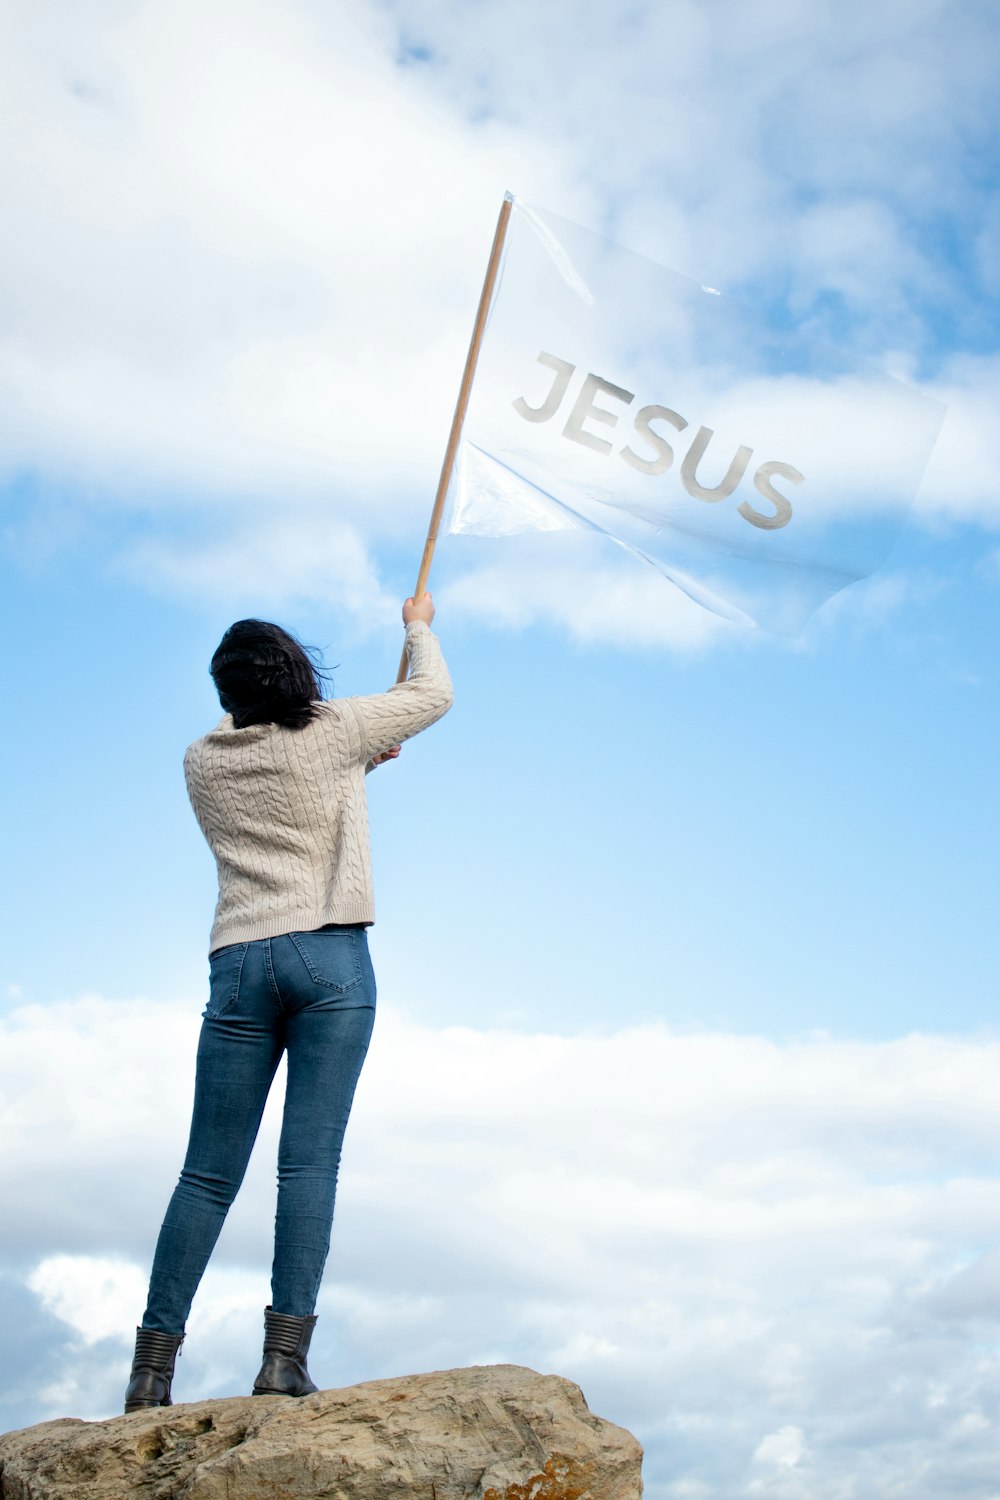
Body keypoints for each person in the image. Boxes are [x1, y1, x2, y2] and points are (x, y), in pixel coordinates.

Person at [123, 593, 452, 1412]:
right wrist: (418, 626)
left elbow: (277, 782)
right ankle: (282, 1362)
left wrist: (358, 765)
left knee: (205, 1176)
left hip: (238, 959)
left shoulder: (201, 759)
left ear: (225, 691)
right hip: (328, 952)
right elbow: (434, 695)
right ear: (299, 675)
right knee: (307, 1165)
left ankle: (150, 1371)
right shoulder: (334, 731)